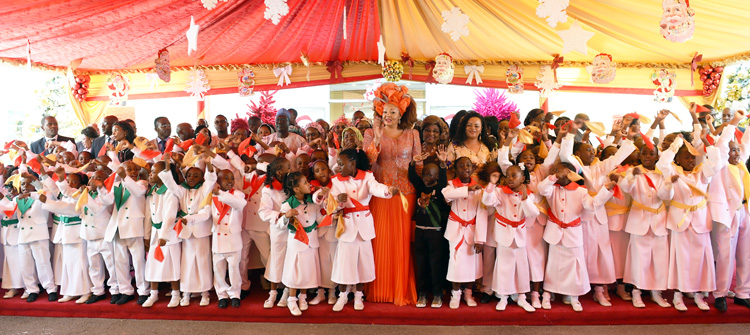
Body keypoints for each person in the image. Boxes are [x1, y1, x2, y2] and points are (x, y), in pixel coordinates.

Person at [362, 82, 421, 306]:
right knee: (380, 241)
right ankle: (380, 289)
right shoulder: (369, 132)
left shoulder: (413, 134)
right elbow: (368, 163)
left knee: (403, 242)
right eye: (385, 111)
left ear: (401, 113)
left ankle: (401, 289)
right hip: (380, 193)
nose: (387, 115)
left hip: (407, 194)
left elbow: (419, 166)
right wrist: (377, 139)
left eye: (392, 111)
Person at [318, 148, 397, 312]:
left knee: (363, 263)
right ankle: (343, 296)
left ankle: (359, 296)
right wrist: (339, 201)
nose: (338, 167)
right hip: (347, 226)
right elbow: (331, 204)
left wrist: (387, 190)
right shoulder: (337, 181)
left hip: (364, 227)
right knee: (344, 264)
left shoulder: (368, 176)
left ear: (353, 163)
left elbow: (376, 188)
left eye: (341, 163)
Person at [538, 162, 615, 312]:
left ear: (569, 173)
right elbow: (542, 188)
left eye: (557, 171)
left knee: (574, 265)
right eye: (552, 171)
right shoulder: (551, 189)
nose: (554, 173)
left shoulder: (580, 191)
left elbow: (593, 206)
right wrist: (554, 177)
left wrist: (606, 190)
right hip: (555, 232)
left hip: (573, 233)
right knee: (554, 264)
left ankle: (574, 296)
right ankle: (548, 293)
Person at [482, 164, 539, 312]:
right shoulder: (500, 192)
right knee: (503, 266)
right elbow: (488, 201)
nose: (510, 179)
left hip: (519, 234)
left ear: (523, 179)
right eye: (508, 175)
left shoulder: (529, 195)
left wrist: (525, 197)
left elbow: (532, 213)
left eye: (514, 176)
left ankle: (521, 297)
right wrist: (492, 184)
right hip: (504, 234)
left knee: (521, 266)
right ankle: (503, 297)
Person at [442, 156, 487, 309]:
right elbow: (447, 195)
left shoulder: (480, 189)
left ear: (472, 168)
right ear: (455, 169)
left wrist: (480, 239)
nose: (465, 168)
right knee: (456, 263)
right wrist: (467, 189)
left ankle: (468, 293)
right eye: (461, 166)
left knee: (472, 264)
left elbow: (482, 214)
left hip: (472, 232)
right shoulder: (451, 185)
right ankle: (455, 294)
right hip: (456, 230)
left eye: (468, 165)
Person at [408, 147, 449, 308]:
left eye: (430, 175)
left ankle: (437, 293)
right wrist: (413, 162)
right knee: (421, 263)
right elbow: (412, 176)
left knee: (435, 264)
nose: (426, 178)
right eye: (424, 174)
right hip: (420, 232)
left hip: (436, 234)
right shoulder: (420, 187)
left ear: (437, 177)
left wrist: (442, 163)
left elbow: (444, 180)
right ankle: (423, 293)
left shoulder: (440, 189)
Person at [278, 172, 322, 316]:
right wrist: (286, 216)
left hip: (311, 240)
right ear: (296, 189)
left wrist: (332, 216)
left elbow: (320, 219)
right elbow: (280, 225)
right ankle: (291, 299)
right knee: (294, 270)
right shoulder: (287, 204)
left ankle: (302, 297)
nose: (308, 185)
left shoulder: (312, 202)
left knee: (308, 270)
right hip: (297, 242)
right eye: (305, 183)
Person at [142, 161, 182, 308]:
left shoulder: (170, 192)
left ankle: (176, 294)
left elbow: (170, 216)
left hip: (168, 234)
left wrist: (163, 236)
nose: (150, 174)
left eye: (154, 172)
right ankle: (153, 294)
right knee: (153, 263)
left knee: (171, 263)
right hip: (155, 232)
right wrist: (147, 236)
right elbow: (148, 216)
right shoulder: (152, 191)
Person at [259, 157, 292, 308]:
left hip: (294, 230)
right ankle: (272, 293)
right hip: (278, 229)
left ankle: (286, 291)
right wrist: (280, 216)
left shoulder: (292, 184)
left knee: (291, 261)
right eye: (288, 167)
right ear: (279, 172)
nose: (291, 169)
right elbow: (263, 211)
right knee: (276, 260)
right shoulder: (268, 189)